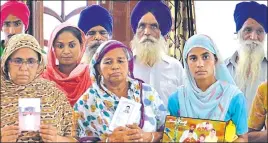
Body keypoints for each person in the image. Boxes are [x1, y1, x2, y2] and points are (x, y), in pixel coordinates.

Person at [73, 40, 167, 142]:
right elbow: (74, 139)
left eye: (121, 61)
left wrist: (150, 137)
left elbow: (170, 131)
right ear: (98, 68)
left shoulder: (147, 92)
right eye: (108, 62)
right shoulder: (87, 101)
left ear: (128, 64)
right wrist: (109, 140)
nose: (115, 67)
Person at [168, 34, 248, 142]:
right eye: (193, 58)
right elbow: (172, 136)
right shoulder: (177, 99)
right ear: (186, 62)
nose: (200, 64)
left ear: (215, 59)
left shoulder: (234, 97)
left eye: (205, 57)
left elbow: (243, 138)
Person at [0, 34, 76, 142]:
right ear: (7, 63)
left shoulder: (53, 95)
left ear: (39, 64)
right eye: (18, 61)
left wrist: (57, 139)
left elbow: (74, 140)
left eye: (31, 61)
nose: (24, 68)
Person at [130, 0, 184, 105]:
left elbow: (183, 104)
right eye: (142, 26)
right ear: (136, 31)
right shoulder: (126, 66)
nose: (147, 32)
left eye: (153, 26)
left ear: (162, 32)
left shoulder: (175, 67)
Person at [225, 1, 268, 111]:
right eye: (248, 30)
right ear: (238, 33)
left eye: (260, 31)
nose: (253, 37)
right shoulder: (222, 68)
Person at [42, 23, 92, 107]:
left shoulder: (90, 75)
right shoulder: (44, 78)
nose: (66, 51)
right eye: (60, 46)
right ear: (53, 48)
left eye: (71, 45)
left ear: (81, 46)